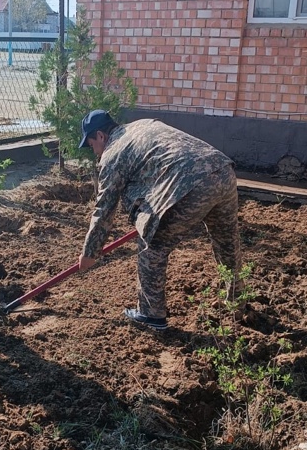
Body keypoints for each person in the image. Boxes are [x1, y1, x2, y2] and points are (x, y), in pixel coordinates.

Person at [77, 110, 241, 330]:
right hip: (223, 170)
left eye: (91, 145)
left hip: (192, 183)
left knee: (152, 246)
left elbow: (104, 209)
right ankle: (238, 301)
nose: (95, 152)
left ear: (100, 135)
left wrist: (90, 252)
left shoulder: (112, 153)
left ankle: (151, 315)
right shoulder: (141, 125)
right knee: (227, 242)